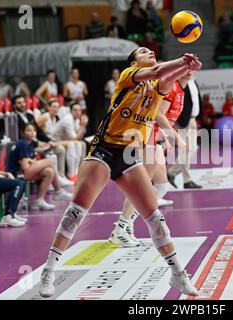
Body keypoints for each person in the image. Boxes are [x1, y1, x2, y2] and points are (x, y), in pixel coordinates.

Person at [38, 47, 202, 298]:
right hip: (104, 150)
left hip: (128, 156)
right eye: (144, 51)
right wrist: (182, 61)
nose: (150, 53)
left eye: (152, 51)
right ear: (134, 62)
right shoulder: (128, 75)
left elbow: (166, 78)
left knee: (155, 218)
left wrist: (187, 67)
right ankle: (49, 270)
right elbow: (159, 70)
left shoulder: (157, 87)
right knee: (76, 212)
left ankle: (178, 274)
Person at [109, 70, 193, 247]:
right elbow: (157, 115)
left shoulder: (181, 89)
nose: (189, 72)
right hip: (147, 135)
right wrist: (176, 138)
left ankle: (126, 225)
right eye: (185, 69)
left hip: (155, 135)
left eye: (192, 69)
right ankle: (120, 228)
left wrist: (164, 136)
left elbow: (161, 116)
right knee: (142, 186)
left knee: (161, 186)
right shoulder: (171, 87)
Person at [6, 123, 73, 210]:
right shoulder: (22, 144)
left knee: (49, 171)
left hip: (27, 172)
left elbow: (30, 162)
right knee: (50, 161)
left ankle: (39, 201)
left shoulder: (32, 143)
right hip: (17, 174)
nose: (32, 132)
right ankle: (58, 191)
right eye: (28, 130)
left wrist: (32, 161)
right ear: (23, 133)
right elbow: (25, 167)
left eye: (34, 130)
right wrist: (32, 161)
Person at [13, 95, 72, 187]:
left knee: (60, 149)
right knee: (51, 160)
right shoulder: (13, 118)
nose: (22, 104)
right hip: (29, 146)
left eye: (23, 102)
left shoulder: (29, 115)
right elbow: (20, 136)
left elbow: (39, 132)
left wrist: (48, 141)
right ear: (14, 105)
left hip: (36, 143)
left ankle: (61, 175)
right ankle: (57, 183)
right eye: (19, 103)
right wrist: (38, 143)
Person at [167, 73, 203, 189]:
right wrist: (180, 121)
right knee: (187, 149)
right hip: (183, 121)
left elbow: (196, 101)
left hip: (193, 119)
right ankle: (186, 180)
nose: (192, 71)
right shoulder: (179, 82)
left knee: (191, 149)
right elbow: (178, 103)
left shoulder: (194, 81)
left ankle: (171, 173)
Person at [37, 99, 84, 181]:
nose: (56, 109)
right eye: (53, 107)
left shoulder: (56, 117)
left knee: (79, 143)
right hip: (47, 142)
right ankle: (69, 174)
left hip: (54, 141)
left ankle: (76, 172)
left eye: (57, 107)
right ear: (48, 107)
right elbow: (35, 129)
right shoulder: (45, 117)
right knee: (72, 144)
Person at [0, 126, 26, 228]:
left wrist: (5, 174)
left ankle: (11, 214)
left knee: (19, 181)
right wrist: (3, 175)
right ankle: (8, 215)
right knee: (18, 184)